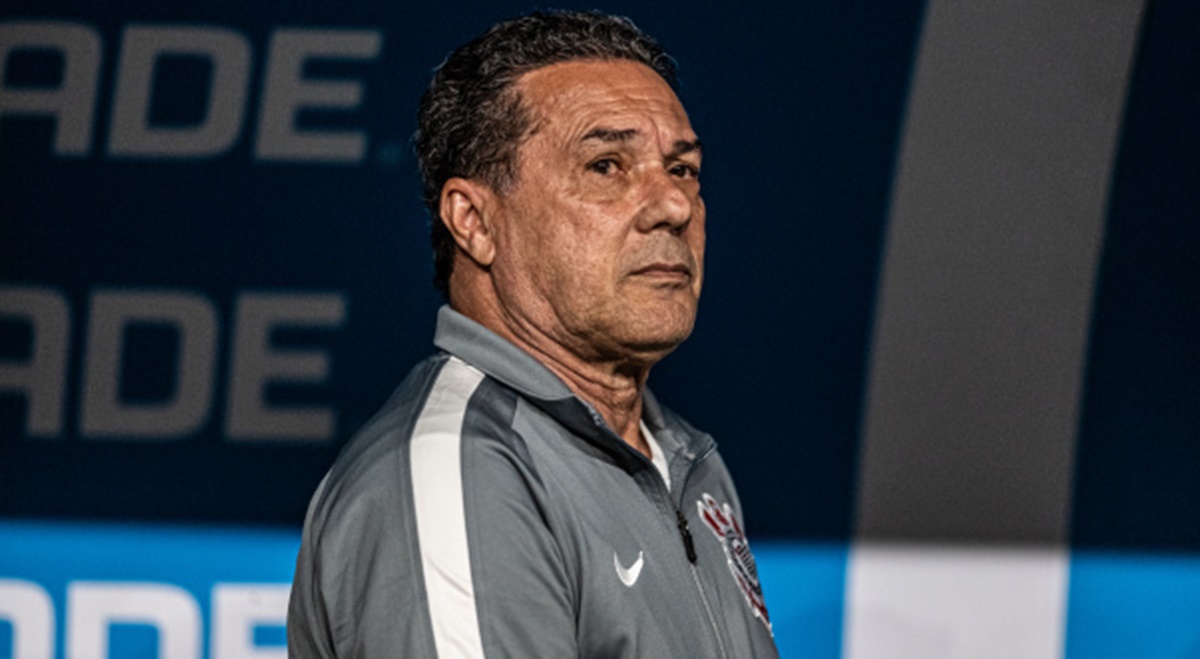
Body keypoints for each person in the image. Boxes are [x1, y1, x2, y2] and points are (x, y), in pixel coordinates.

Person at [288, 10, 778, 658]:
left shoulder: (686, 461)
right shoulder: (461, 469)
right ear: (474, 221)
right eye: (607, 165)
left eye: (682, 169)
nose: (673, 204)